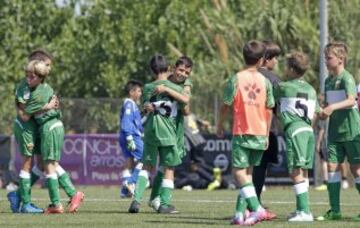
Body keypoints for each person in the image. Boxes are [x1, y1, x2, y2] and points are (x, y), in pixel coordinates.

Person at [8, 49, 84, 213]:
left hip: (44, 127)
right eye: (47, 65)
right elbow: (23, 114)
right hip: (28, 127)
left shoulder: (43, 87)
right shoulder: (27, 86)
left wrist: (49, 107)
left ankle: (21, 196)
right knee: (38, 163)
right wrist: (47, 107)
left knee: (46, 163)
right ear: (36, 66)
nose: (49, 70)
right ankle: (29, 201)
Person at [216, 40, 274, 225]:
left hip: (243, 132)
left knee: (238, 174)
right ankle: (240, 214)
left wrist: (220, 124)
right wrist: (266, 133)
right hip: (260, 132)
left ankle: (257, 209)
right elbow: (270, 108)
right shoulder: (265, 81)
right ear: (261, 61)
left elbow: (226, 104)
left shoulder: (236, 78)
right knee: (247, 175)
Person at [128, 54, 189, 214]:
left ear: (151, 70)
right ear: (170, 68)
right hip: (167, 131)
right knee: (169, 167)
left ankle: (136, 200)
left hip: (150, 131)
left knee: (146, 166)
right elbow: (186, 104)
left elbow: (145, 105)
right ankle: (164, 204)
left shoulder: (147, 87)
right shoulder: (176, 88)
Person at [317, 42, 360, 221]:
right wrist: (323, 112)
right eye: (325, 58)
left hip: (351, 131)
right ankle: (335, 210)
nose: (326, 61)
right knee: (333, 168)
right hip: (334, 133)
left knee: (356, 170)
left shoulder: (347, 78)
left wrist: (332, 107)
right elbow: (329, 106)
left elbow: (351, 101)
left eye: (329, 58)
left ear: (340, 59)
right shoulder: (328, 81)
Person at [276, 51, 319, 222]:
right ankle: (301, 209)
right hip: (308, 130)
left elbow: (271, 100)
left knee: (295, 171)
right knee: (304, 171)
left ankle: (304, 211)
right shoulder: (311, 89)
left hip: (294, 130)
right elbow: (316, 113)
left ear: (292, 69)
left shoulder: (284, 87)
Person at [148, 56, 194, 211]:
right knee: (169, 166)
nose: (183, 74)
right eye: (181, 70)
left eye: (187, 72)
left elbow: (186, 109)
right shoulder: (162, 80)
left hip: (176, 129)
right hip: (161, 129)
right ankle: (164, 203)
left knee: (165, 165)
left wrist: (169, 91)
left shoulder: (186, 85)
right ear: (174, 68)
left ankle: (154, 198)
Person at [252, 41, 281, 214]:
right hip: (266, 129)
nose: (276, 61)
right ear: (266, 58)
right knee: (260, 166)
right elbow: (278, 105)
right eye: (275, 57)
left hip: (247, 126)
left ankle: (254, 202)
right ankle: (254, 203)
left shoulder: (245, 75)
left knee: (250, 166)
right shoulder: (273, 79)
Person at [119, 80, 144, 198]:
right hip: (131, 136)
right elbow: (127, 120)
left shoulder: (131, 104)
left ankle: (124, 191)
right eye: (138, 91)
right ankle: (131, 182)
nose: (140, 93)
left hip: (124, 135)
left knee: (129, 162)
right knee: (146, 158)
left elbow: (136, 122)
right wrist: (130, 137)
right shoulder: (129, 104)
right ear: (131, 92)